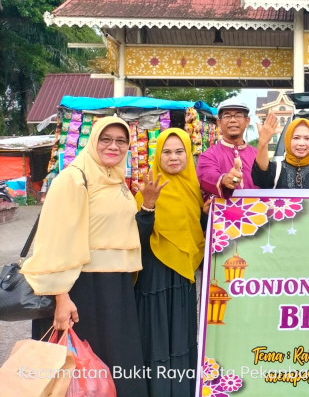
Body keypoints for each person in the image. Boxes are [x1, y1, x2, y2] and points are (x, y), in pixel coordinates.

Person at [23, 117, 147, 397]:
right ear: (93, 141)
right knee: (80, 376)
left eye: (120, 140)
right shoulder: (74, 179)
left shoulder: (116, 180)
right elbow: (54, 240)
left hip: (115, 290)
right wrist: (61, 296)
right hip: (82, 292)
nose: (113, 146)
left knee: (113, 373)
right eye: (106, 139)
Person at [134, 128, 208, 397]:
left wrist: (206, 215)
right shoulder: (148, 188)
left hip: (183, 278)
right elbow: (135, 240)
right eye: (167, 152)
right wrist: (148, 206)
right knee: (155, 340)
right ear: (158, 154)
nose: (173, 157)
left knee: (181, 339)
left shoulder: (194, 190)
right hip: (154, 278)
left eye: (180, 151)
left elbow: (197, 235)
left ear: (188, 155)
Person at [251, 113, 309, 189]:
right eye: (296, 138)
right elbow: (260, 177)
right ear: (287, 140)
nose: (302, 143)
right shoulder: (275, 169)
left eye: (307, 138)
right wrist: (263, 144)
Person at [197, 98, 257, 199]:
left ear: (247, 121)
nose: (233, 120)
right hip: (222, 213)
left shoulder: (257, 155)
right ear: (219, 122)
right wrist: (224, 180)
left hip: (256, 212)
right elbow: (207, 177)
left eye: (238, 115)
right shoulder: (208, 156)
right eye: (227, 115)